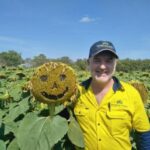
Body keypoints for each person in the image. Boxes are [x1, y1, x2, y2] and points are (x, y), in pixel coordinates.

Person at [74, 40, 150, 150]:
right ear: (88, 63)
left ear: (115, 64)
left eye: (108, 61)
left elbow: (143, 134)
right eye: (97, 60)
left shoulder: (130, 93)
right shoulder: (76, 92)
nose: (102, 66)